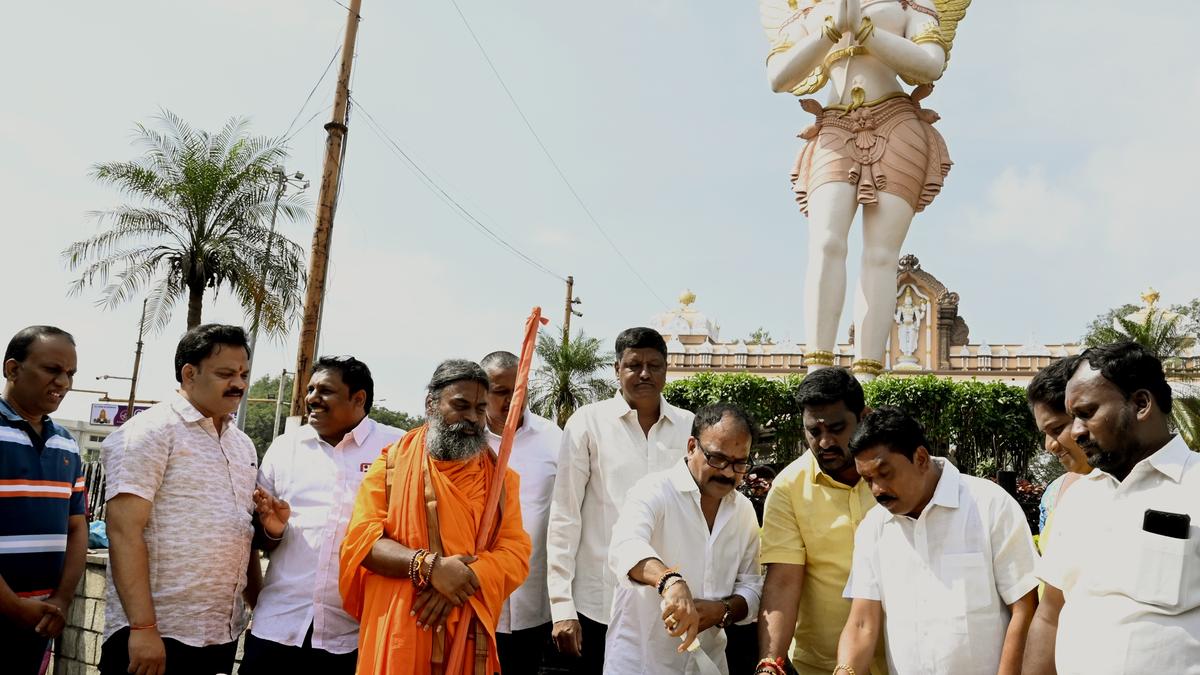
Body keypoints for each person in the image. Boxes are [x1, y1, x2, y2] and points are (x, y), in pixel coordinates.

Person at [758, 0, 967, 379]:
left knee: (882, 254)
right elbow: (779, 78)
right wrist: (831, 30)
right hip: (834, 125)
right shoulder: (810, 10)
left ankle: (868, 374)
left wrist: (867, 30)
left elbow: (929, 64)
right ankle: (818, 369)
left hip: (896, 122)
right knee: (826, 243)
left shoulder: (908, 5)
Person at [339, 359, 531, 675]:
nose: (472, 418)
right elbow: (362, 542)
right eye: (461, 405)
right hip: (403, 626)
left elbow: (515, 553)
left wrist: (461, 580)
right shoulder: (391, 465)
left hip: (465, 626)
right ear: (431, 403)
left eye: (480, 409)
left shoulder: (500, 480)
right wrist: (431, 568)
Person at [1023, 342, 1200, 674]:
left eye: (1087, 413)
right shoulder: (1078, 498)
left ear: (1141, 404)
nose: (1075, 432)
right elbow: (1049, 616)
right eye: (1072, 417)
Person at [100, 324, 258, 675]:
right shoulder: (149, 433)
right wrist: (143, 628)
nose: (239, 384)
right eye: (226, 374)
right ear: (189, 373)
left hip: (219, 635)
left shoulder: (241, 444)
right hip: (155, 637)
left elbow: (240, 530)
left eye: (244, 374)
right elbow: (124, 532)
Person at [836, 406, 1038, 675]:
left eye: (885, 474)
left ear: (920, 458)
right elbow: (862, 623)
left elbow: (1025, 607)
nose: (877, 490)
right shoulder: (874, 528)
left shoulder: (989, 505)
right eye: (867, 479)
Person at [240, 356, 405, 675]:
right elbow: (255, 538)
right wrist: (274, 530)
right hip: (277, 628)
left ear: (359, 399)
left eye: (325, 390)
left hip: (355, 636)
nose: (312, 397)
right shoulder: (285, 448)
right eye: (310, 388)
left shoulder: (397, 448)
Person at [547, 327, 695, 673]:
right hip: (599, 604)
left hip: (666, 605)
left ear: (666, 369)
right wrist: (562, 607)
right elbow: (564, 515)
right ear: (617, 370)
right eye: (634, 365)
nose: (645, 373)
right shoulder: (587, 423)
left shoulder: (689, 427)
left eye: (654, 365)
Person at [606, 403, 763, 675]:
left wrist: (721, 611)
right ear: (692, 447)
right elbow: (625, 545)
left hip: (709, 663)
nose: (727, 472)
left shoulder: (743, 510)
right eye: (718, 458)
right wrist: (671, 582)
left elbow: (753, 588)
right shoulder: (654, 490)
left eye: (739, 463)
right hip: (641, 664)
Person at [756, 368, 886, 675]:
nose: (825, 442)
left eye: (837, 428)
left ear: (864, 417)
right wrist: (770, 664)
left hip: (903, 660)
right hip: (821, 666)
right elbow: (783, 581)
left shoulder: (894, 477)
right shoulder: (788, 488)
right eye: (814, 432)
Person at [0, 326, 87, 674]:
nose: (63, 382)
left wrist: (61, 600)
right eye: (53, 369)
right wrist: (13, 606)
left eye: (70, 374)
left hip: (39, 622)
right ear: (13, 369)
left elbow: (77, 528)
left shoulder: (66, 444)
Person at [480, 351, 562, 675]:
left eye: (519, 389)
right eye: (500, 390)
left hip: (532, 602)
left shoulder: (553, 439)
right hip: (474, 597)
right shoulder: (464, 441)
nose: (511, 399)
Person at [1025, 355, 1091, 549]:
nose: (1049, 446)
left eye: (1057, 429)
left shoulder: (1130, 487)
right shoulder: (1054, 492)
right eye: (1045, 433)